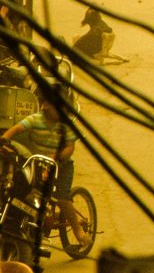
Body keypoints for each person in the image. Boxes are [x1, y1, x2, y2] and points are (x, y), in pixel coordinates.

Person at [0, 87, 88, 246]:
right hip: (38, 162)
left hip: (61, 165)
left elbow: (70, 148)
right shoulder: (35, 119)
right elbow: (15, 130)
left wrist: (57, 156)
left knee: (62, 197)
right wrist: (3, 142)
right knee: (25, 190)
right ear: (46, 105)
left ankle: (77, 230)